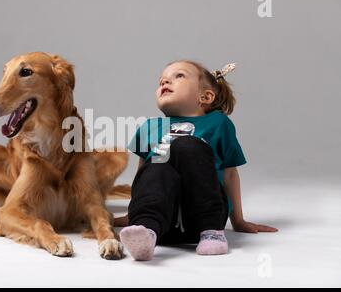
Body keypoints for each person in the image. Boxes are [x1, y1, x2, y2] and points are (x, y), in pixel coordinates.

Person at [117, 60, 278, 261]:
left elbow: (229, 173)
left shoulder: (218, 123)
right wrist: (136, 212)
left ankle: (211, 232)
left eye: (179, 76)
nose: (165, 81)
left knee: (188, 146)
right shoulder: (150, 126)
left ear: (206, 96)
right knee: (157, 166)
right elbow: (143, 176)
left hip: (201, 220)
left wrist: (238, 220)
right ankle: (146, 233)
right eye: (161, 81)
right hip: (163, 225)